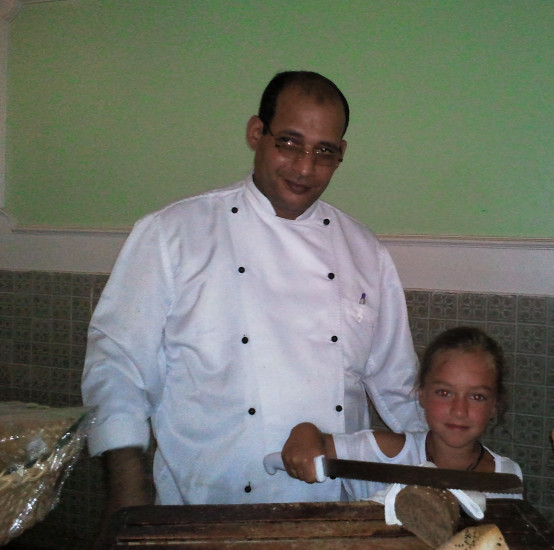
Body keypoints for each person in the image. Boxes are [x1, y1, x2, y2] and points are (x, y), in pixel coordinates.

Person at [81, 71, 424, 520]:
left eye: (324, 151)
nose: (305, 168)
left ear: (341, 153)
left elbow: (399, 388)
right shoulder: (173, 234)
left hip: (329, 513)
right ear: (256, 133)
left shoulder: (365, 252)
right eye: (289, 143)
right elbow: (119, 367)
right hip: (201, 509)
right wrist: (127, 493)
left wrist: (453, 467)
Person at [280, 326, 523, 501]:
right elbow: (317, 442)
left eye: (477, 396)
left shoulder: (505, 476)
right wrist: (304, 432)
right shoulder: (381, 455)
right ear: (421, 395)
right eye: (444, 393)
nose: (459, 410)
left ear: (495, 405)